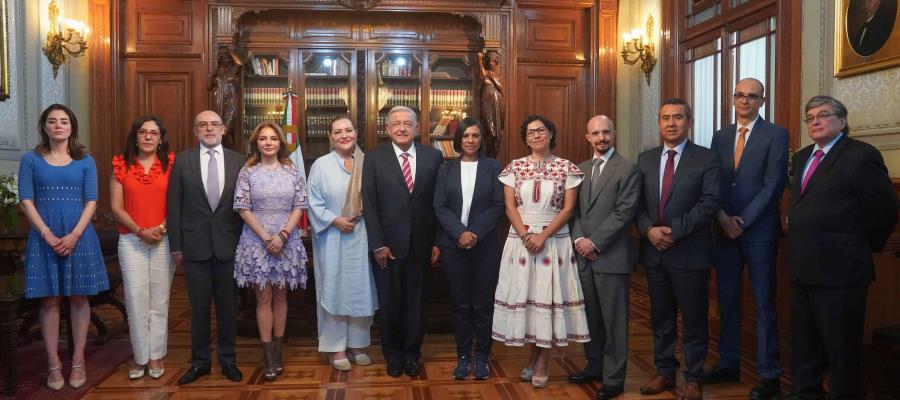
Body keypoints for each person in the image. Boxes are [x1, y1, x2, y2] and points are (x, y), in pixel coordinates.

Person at [776, 96, 898, 400]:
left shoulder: (860, 155)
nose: (815, 121)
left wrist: (857, 245)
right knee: (804, 342)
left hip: (842, 269)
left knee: (841, 346)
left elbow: (884, 209)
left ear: (842, 121)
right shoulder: (803, 156)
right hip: (803, 265)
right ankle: (806, 393)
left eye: (823, 115)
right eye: (810, 117)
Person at [704, 78, 788, 400]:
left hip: (759, 233)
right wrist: (723, 218)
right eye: (739, 95)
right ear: (733, 99)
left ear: (762, 101)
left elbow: (773, 185)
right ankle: (728, 363)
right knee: (727, 301)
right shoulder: (721, 136)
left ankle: (769, 376)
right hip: (724, 230)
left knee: (764, 304)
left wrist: (744, 221)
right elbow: (714, 182)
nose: (745, 101)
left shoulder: (776, 135)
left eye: (752, 97)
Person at [492, 114, 590, 388]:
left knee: (547, 299)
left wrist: (543, 235)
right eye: (530, 132)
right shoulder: (514, 167)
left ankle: (543, 360)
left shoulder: (566, 168)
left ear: (550, 133)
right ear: (525, 138)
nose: (536, 135)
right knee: (530, 300)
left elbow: (569, 209)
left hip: (553, 242)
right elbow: (510, 207)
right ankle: (533, 357)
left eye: (541, 130)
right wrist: (526, 235)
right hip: (520, 242)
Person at [634, 98, 720, 400]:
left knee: (694, 319)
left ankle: (694, 376)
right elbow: (636, 205)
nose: (671, 123)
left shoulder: (707, 158)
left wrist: (675, 231)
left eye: (678, 117)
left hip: (690, 252)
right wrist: (648, 230)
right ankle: (665, 371)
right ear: (659, 123)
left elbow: (709, 203)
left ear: (689, 122)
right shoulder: (645, 159)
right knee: (661, 318)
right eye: (665, 118)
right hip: (654, 252)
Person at [18, 104, 108, 390]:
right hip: (43, 237)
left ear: (72, 127)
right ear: (44, 127)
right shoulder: (30, 160)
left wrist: (74, 235)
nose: (58, 125)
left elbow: (92, 201)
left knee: (80, 298)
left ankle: (78, 359)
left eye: (64, 121)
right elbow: (25, 200)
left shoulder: (86, 160)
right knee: (50, 300)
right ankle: (53, 363)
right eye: (52, 121)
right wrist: (46, 233)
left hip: (79, 236)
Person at [362, 106, 443, 378]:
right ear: (387, 129)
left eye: (408, 124)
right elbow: (370, 205)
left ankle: (412, 355)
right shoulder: (374, 158)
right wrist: (378, 244)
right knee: (390, 304)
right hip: (389, 247)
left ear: (417, 128)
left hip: (422, 244)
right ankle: (393, 356)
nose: (402, 128)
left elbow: (438, 204)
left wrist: (437, 241)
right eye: (396, 124)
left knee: (417, 305)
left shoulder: (434, 157)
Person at [167, 110, 245, 385]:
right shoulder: (182, 161)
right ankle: (199, 362)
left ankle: (228, 360)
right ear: (195, 130)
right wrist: (175, 246)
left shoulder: (239, 161)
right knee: (198, 309)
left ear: (223, 129)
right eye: (203, 124)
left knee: (227, 308)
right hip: (194, 247)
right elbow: (173, 205)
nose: (209, 128)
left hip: (229, 245)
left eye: (214, 124)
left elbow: (245, 206)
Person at [568, 115, 640, 399]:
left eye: (606, 132)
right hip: (583, 257)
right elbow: (573, 212)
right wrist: (578, 240)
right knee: (591, 318)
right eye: (595, 133)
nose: (601, 138)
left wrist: (595, 242)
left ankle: (613, 378)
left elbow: (624, 213)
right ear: (587, 136)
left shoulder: (628, 169)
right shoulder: (580, 170)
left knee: (614, 321)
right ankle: (594, 366)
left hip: (611, 256)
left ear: (614, 133)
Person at [232, 122, 308, 381]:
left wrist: (283, 235)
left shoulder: (292, 170)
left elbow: (300, 205)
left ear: (280, 143)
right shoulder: (247, 172)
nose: (268, 143)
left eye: (273, 138)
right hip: (257, 241)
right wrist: (266, 238)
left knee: (281, 296)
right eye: (263, 139)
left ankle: (278, 350)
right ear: (256, 143)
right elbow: (242, 207)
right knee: (263, 298)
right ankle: (267, 355)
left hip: (286, 239)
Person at [432, 117, 504, 380]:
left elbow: (499, 206)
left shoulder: (494, 167)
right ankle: (463, 356)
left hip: (485, 246)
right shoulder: (445, 169)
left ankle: (483, 356)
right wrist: (460, 233)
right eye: (466, 136)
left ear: (481, 139)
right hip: (453, 246)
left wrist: (474, 233)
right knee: (461, 305)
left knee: (483, 305)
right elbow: (439, 206)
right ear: (458, 140)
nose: (471, 140)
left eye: (475, 136)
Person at [307, 116, 377, 372]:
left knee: (359, 290)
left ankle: (357, 344)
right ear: (330, 137)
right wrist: (334, 220)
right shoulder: (321, 166)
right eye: (338, 131)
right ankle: (335, 347)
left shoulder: (367, 163)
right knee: (333, 289)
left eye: (348, 130)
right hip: (332, 236)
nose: (344, 135)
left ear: (356, 133)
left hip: (361, 235)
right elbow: (312, 202)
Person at [109, 115, 175, 380]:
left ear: (161, 138)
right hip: (131, 240)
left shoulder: (171, 164)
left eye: (154, 133)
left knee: (159, 301)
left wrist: (160, 229)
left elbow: (177, 201)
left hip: (164, 238)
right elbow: (115, 207)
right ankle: (139, 357)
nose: (148, 136)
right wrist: (140, 231)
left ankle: (156, 355)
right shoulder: (120, 165)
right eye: (143, 132)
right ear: (135, 136)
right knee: (136, 301)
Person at [478, 51, 505, 157]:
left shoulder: (498, 76)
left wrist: (492, 77)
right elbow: (479, 56)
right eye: (488, 60)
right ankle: (487, 155)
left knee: (497, 134)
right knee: (491, 132)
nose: (490, 63)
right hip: (487, 103)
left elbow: (501, 88)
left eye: (493, 61)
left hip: (497, 103)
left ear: (496, 62)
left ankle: (492, 157)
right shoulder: (484, 73)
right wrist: (481, 57)